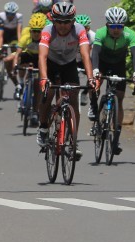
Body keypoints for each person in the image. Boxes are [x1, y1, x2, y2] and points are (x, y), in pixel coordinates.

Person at [37, 1, 97, 160]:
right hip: (51, 64)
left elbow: (85, 55)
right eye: (59, 21)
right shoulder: (47, 30)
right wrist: (44, 78)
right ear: (53, 20)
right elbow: (42, 56)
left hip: (69, 65)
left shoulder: (79, 30)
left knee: (73, 102)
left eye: (67, 21)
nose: (63, 25)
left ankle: (72, 141)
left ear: (73, 21)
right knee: (47, 93)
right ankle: (43, 128)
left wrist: (90, 79)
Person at [90, 7, 135, 155]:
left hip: (119, 65)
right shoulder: (101, 33)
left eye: (119, 26)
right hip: (102, 62)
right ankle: (94, 107)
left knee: (119, 99)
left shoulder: (130, 34)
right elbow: (95, 52)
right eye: (113, 26)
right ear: (107, 25)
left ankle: (116, 138)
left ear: (123, 26)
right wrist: (95, 70)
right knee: (94, 85)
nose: (116, 30)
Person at [11, 12, 46, 124]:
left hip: (40, 57)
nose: (36, 34)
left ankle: (35, 112)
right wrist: (15, 67)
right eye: (33, 31)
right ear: (30, 31)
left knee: (37, 86)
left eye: (38, 31)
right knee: (21, 61)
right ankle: (21, 84)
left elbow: (47, 57)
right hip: (29, 55)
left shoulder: (46, 39)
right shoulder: (26, 37)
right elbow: (17, 54)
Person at [0, 2, 23, 99]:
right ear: (5, 12)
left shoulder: (19, 16)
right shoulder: (0, 16)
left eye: (12, 14)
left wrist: (19, 45)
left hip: (13, 36)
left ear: (15, 13)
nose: (10, 16)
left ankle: (12, 71)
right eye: (8, 13)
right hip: (3, 35)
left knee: (14, 51)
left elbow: (19, 32)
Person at [75, 14, 95, 106]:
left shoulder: (93, 36)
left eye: (85, 28)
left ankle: (85, 93)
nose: (83, 30)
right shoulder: (72, 34)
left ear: (89, 28)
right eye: (80, 28)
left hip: (84, 59)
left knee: (93, 73)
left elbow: (96, 53)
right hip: (73, 59)